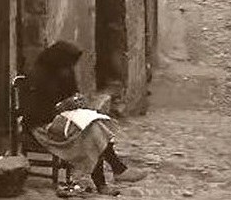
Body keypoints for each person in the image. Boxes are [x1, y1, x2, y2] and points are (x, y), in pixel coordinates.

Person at [24, 41, 147, 196]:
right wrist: (59, 107)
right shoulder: (37, 77)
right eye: (66, 65)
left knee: (96, 125)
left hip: (65, 119)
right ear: (57, 61)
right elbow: (32, 114)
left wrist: (77, 100)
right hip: (42, 126)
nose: (68, 69)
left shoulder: (65, 72)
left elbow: (71, 94)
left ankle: (113, 174)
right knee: (90, 132)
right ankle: (113, 175)